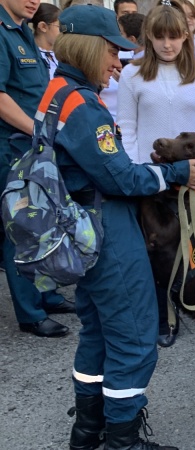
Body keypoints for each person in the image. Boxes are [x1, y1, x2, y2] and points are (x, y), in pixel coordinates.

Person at [50, 5, 195, 450]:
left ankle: (88, 431)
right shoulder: (84, 105)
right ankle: (123, 441)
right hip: (106, 227)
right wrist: (175, 175)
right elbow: (119, 176)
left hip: (79, 225)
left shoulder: (57, 92)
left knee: (99, 332)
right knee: (136, 337)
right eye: (112, 51)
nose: (117, 62)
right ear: (88, 47)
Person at [117, 4, 195, 347]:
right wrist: (140, 174)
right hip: (153, 177)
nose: (167, 45)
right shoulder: (131, 74)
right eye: (160, 36)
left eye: (174, 36)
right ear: (148, 37)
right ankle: (163, 313)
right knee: (158, 248)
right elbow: (128, 128)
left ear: (186, 35)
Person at [0, 0, 72, 338]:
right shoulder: (2, 31)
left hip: (30, 146)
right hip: (11, 147)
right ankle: (30, 313)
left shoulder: (22, 30)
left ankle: (46, 294)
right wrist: (35, 129)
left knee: (41, 222)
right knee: (20, 229)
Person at [32, 3, 60, 80]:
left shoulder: (60, 56)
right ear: (43, 27)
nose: (62, 32)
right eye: (59, 27)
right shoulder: (31, 56)